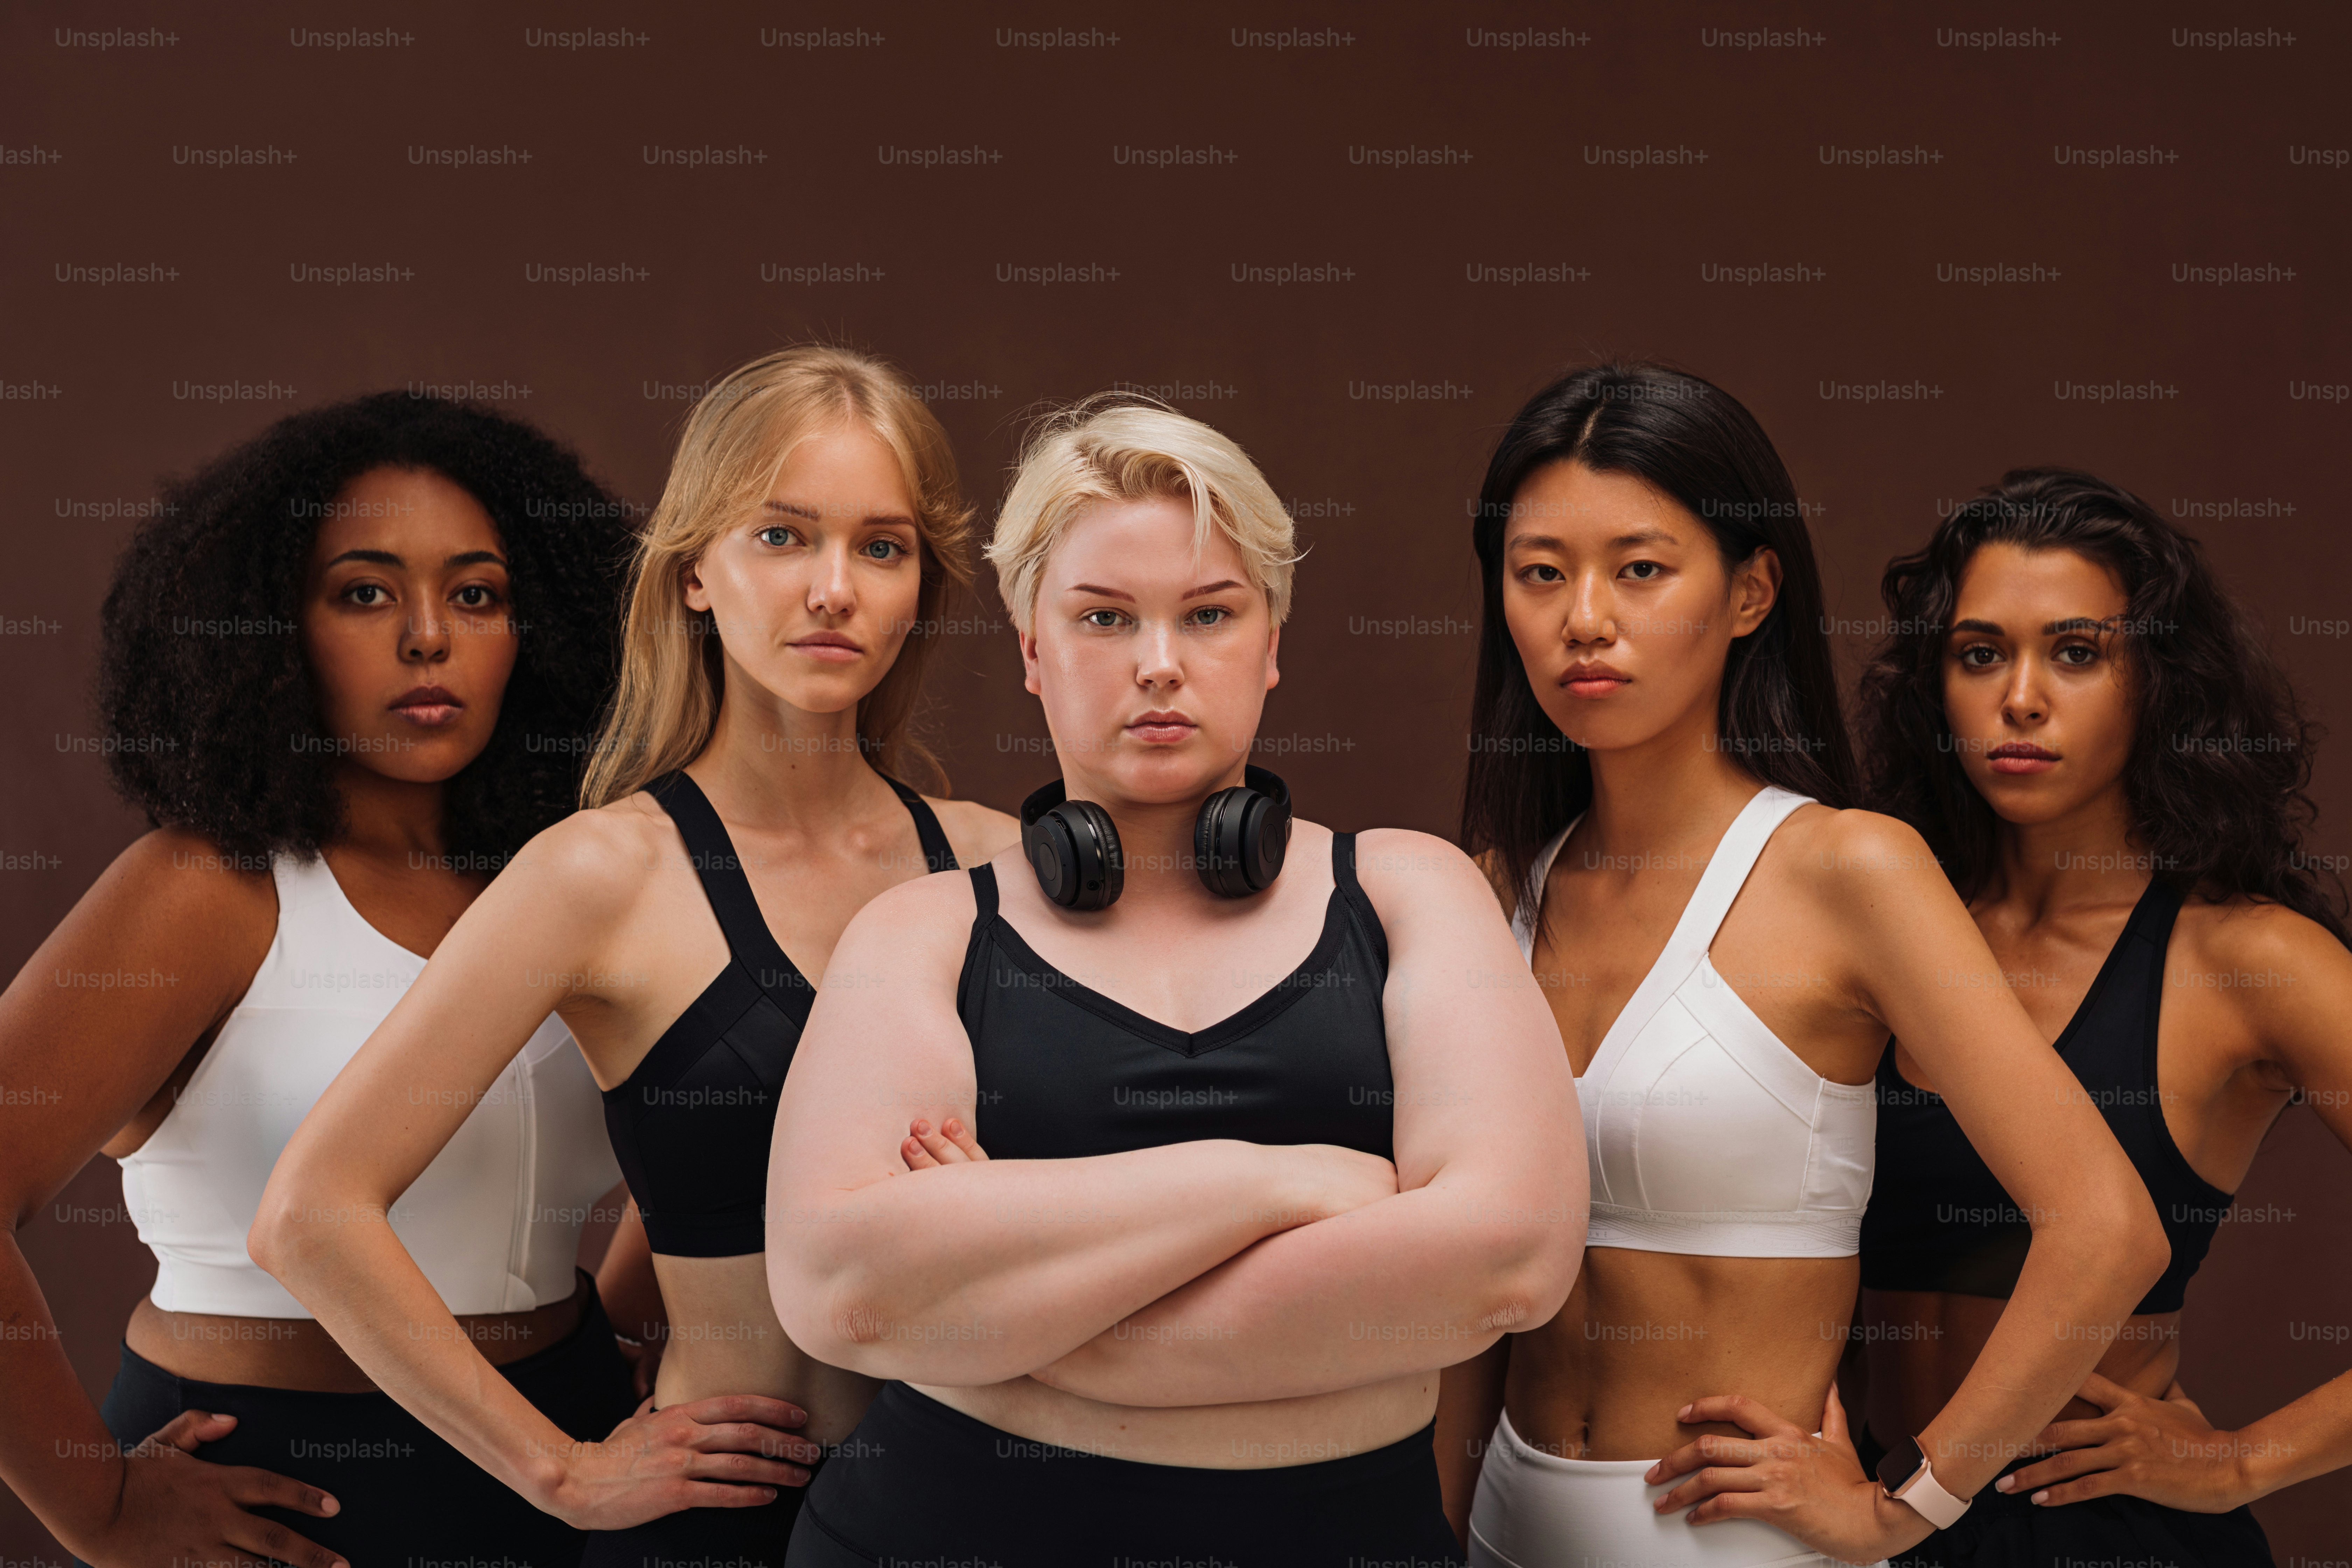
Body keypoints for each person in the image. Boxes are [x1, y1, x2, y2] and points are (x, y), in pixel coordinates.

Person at [759, 397, 1583, 1566]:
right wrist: (1282, 1179)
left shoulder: (1409, 893)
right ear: (1034, 651)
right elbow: (841, 1289)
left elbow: (1506, 1261)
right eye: (1103, 618)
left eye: (1209, 614)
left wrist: (1002, 1300)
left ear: (1272, 643)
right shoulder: (923, 933)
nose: (1158, 664)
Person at [249, 347, 1020, 1567]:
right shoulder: (600, 875)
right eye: (783, 537)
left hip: (971, 1512)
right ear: (696, 572)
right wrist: (560, 1473)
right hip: (719, 1530)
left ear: (920, 586)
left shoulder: (999, 863)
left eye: (882, 548)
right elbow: (310, 1215)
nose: (834, 589)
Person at [1435, 363, 2172, 1567]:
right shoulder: (1492, 888)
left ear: (1750, 592)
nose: (1584, 619)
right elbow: (1469, 1303)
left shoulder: (1848, 872)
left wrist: (1905, 1508)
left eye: (1640, 569)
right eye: (1541, 572)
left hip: (1729, 1544)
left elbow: (2107, 1228)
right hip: (1505, 1522)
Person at [0, 392, 639, 1568]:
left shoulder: (580, 881)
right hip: (289, 1491)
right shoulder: (207, 890)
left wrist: (632, 1353)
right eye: (365, 593)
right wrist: (98, 1508)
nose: (429, 638)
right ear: (267, 633)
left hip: (578, 1458)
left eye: (477, 594)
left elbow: (699, 1149)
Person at [1853, 468, 2352, 1566]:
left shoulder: (2244, 958)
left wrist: (2246, 1462)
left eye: (2077, 653)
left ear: (2160, 683)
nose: (2021, 699)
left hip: (2098, 1538)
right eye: (1980, 654)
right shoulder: (1883, 930)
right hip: (1867, 1522)